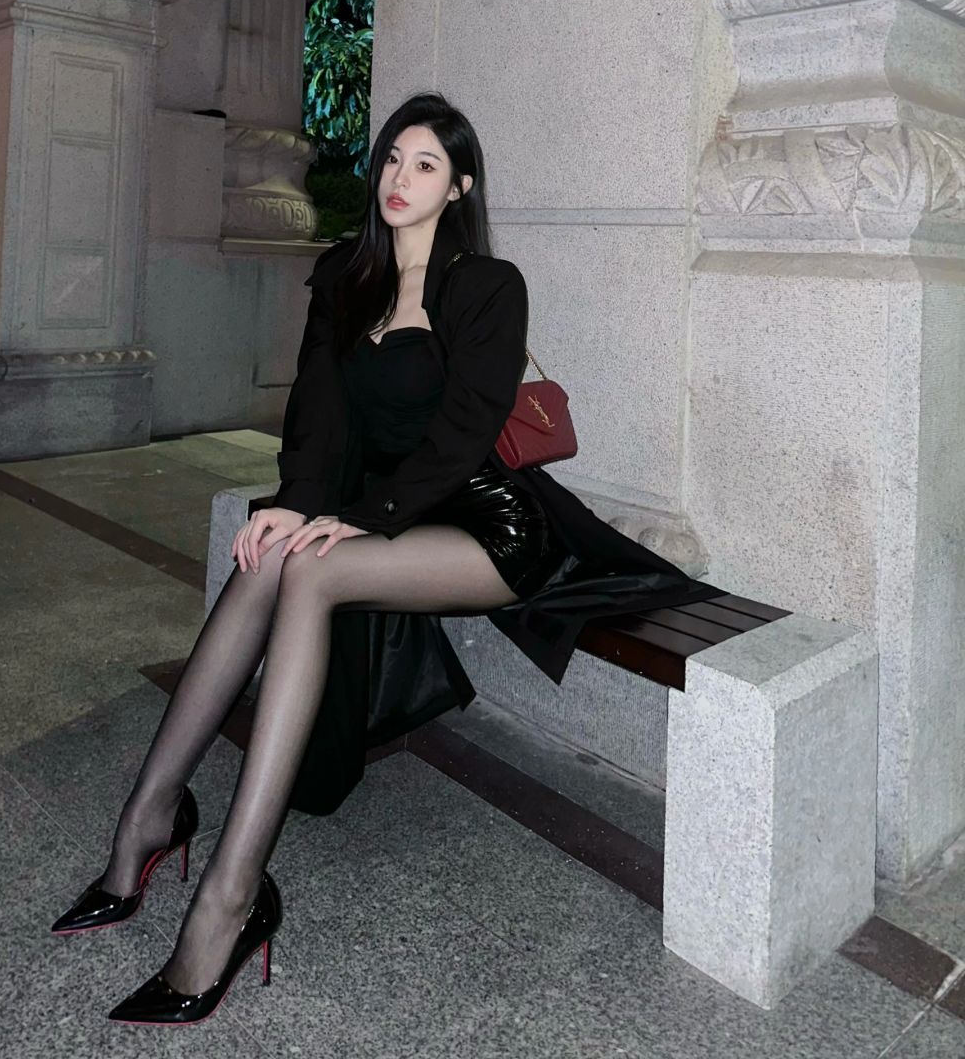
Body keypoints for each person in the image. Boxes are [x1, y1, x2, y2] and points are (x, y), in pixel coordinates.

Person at [50, 92, 723, 1026]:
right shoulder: (346, 274)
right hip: (386, 517)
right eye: (393, 158)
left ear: (460, 188)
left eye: (426, 165)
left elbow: (466, 433)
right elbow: (317, 415)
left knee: (315, 567)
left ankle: (230, 899)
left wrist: (365, 519)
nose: (400, 178)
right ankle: (148, 820)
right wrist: (295, 503)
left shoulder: (487, 286)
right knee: (271, 555)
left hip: (488, 526)